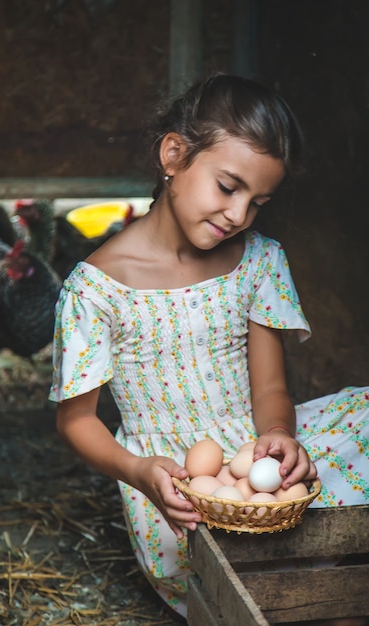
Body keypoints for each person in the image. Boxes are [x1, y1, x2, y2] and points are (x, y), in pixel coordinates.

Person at [49, 73, 369, 624]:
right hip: (175, 490)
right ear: (173, 155)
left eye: (258, 201)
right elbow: (76, 421)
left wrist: (277, 437)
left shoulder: (259, 261)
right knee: (289, 594)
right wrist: (139, 471)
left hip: (254, 456)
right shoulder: (97, 289)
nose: (239, 215)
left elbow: (270, 388)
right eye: (228, 186)